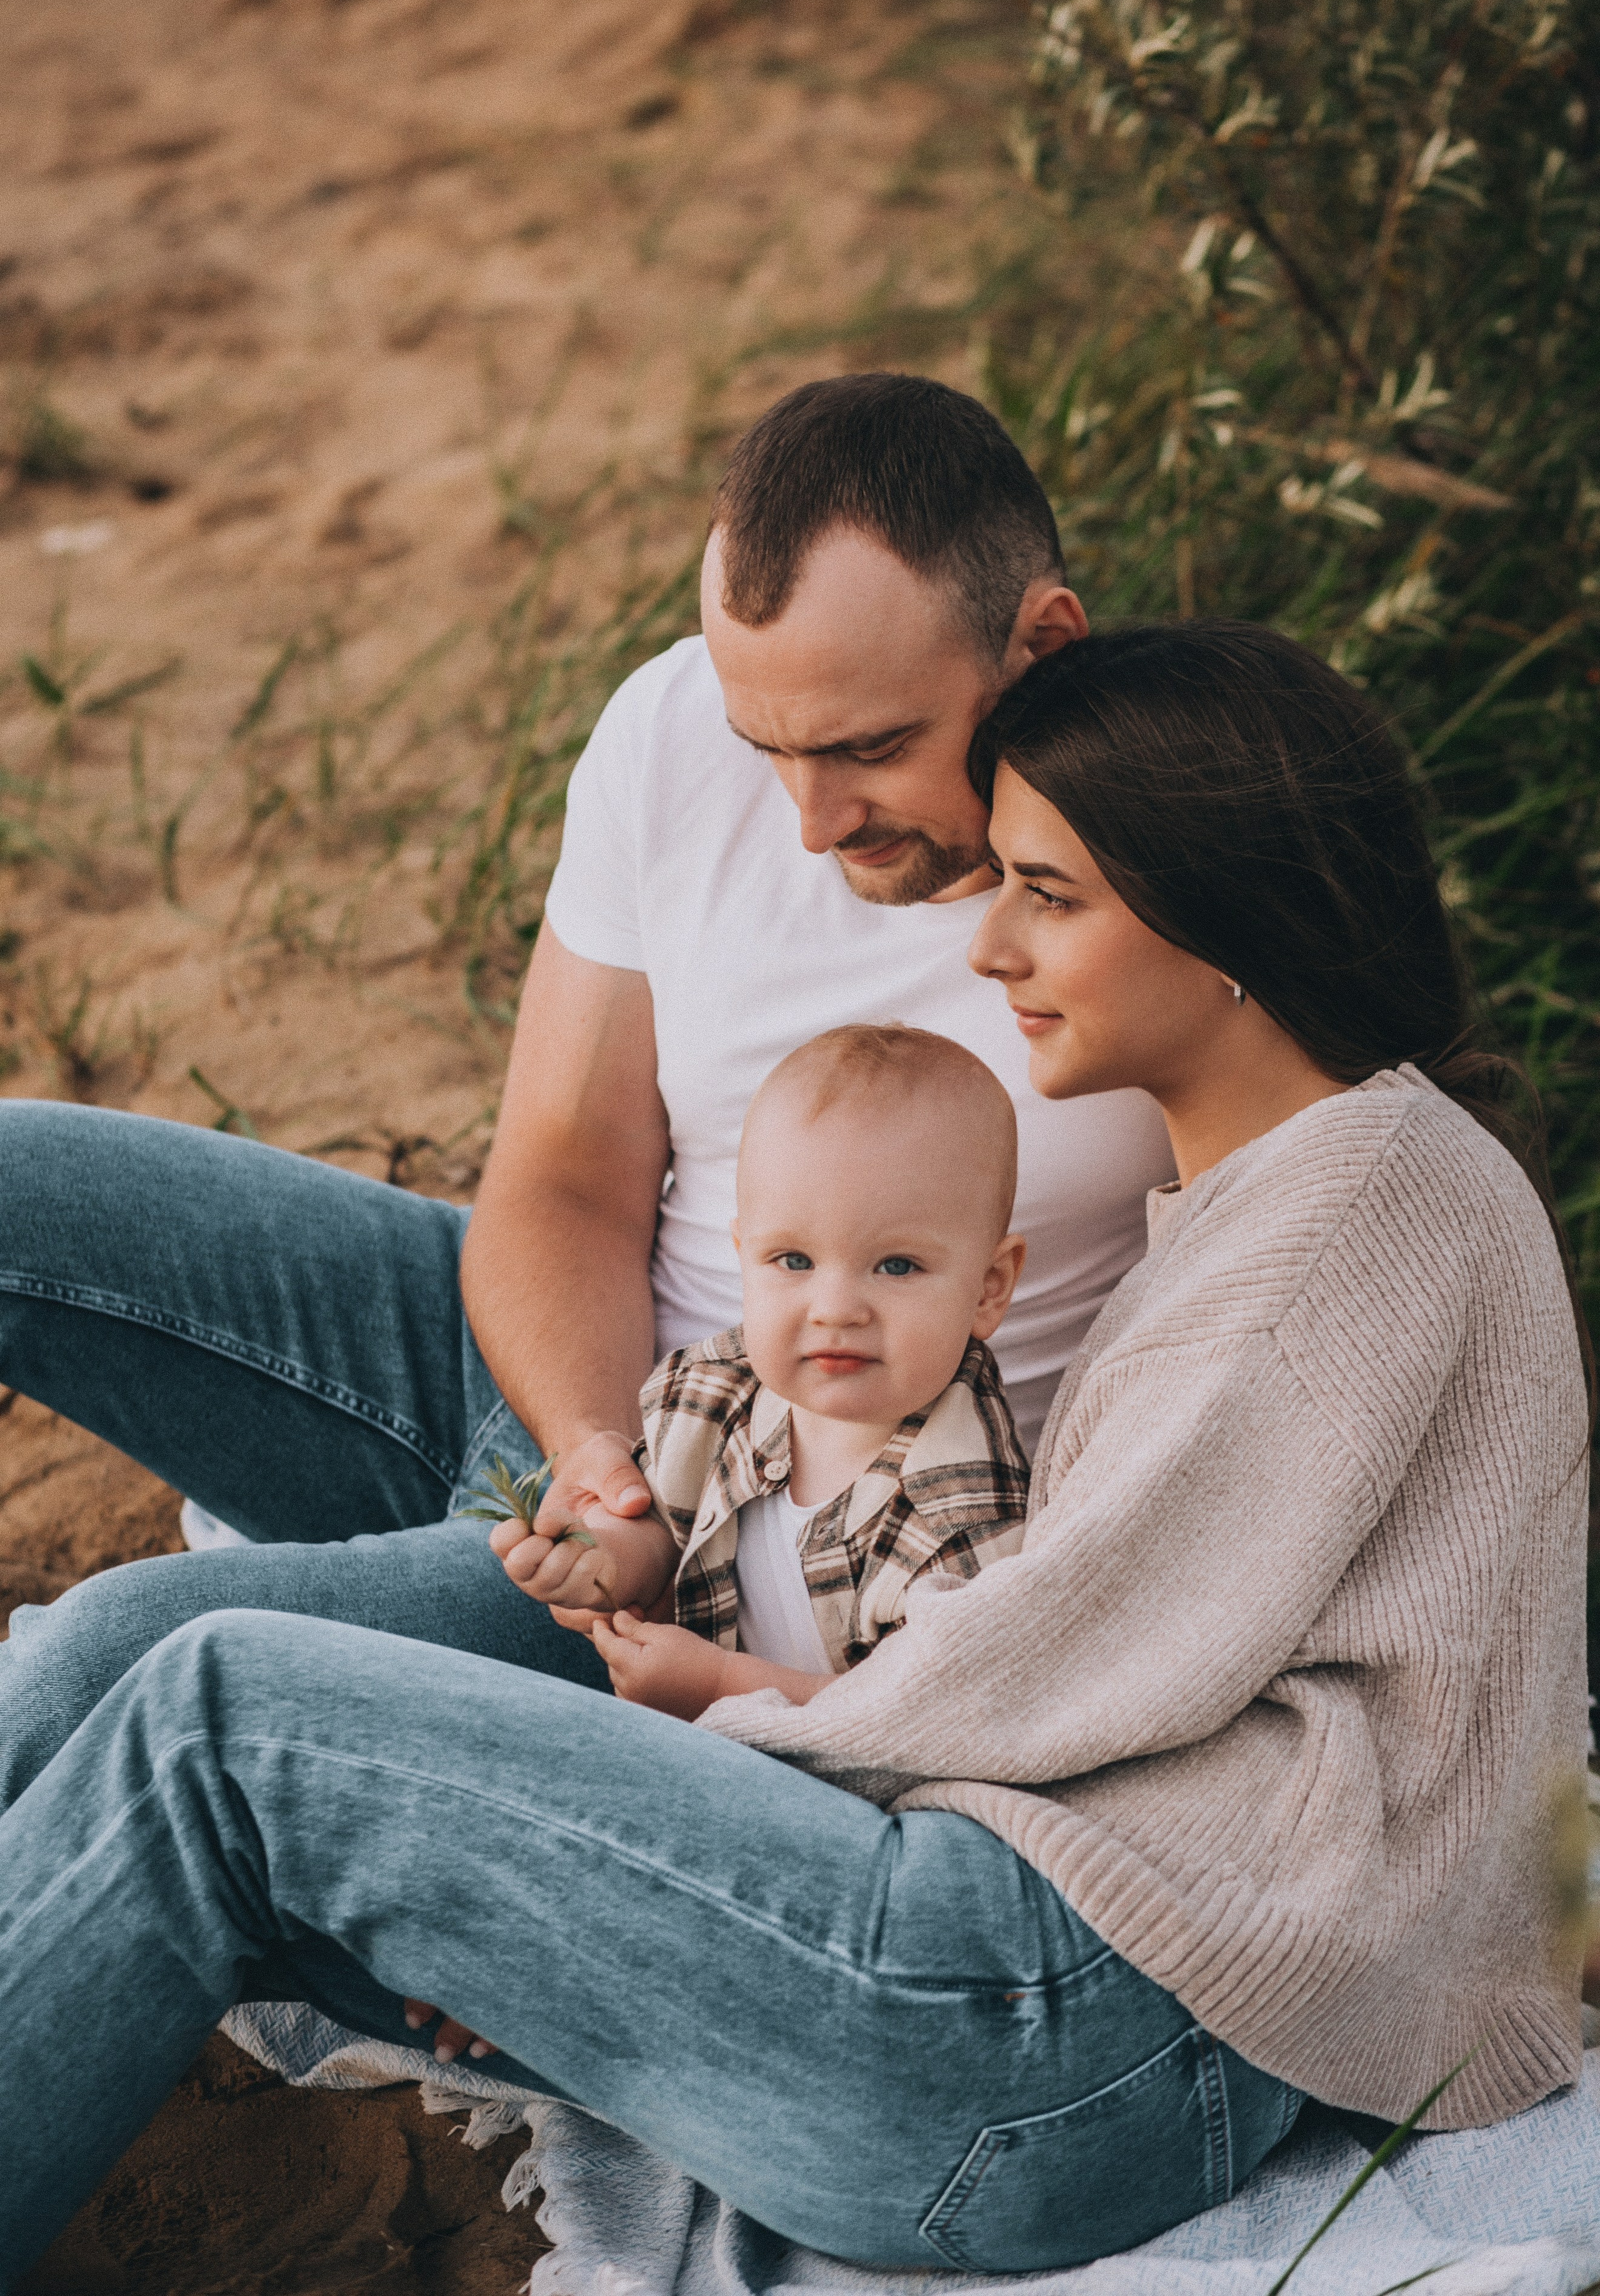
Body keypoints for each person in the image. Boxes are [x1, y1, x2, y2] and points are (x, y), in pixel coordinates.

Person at [2, 622, 1586, 2283]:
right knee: (183, 1699)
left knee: (217, 1714)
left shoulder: (1362, 1199)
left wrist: (667, 1777)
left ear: (1230, 918)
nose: (987, 951)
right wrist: (538, 1891)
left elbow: (1048, 1666)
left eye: (1049, 896)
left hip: (1065, 2023)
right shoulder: (1288, 1198)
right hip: (1054, 2023)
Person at [0, 374, 1172, 1809]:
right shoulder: (671, 727)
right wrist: (590, 1454)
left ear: (1040, 644)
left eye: (869, 748)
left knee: (110, 1652)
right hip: (568, 1390)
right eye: (769, 750)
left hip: (717, 1555)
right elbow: (562, 1173)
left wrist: (649, 1525)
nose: (809, 824)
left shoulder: (1166, 891)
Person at [519, 1022, 1030, 1722]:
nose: (835, 1309)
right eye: (792, 1260)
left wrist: (719, 1684)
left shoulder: (964, 1516)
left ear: (987, 1288)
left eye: (897, 1266)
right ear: (743, 1254)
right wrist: (604, 1563)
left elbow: (928, 1722)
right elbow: (667, 1530)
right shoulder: (718, 1395)